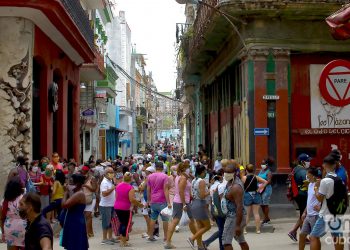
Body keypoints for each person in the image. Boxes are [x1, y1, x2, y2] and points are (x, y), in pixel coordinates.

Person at [310, 155, 345, 250]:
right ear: (335, 165)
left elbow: (320, 198)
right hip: (337, 212)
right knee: (337, 237)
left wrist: (316, 188)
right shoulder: (339, 179)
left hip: (326, 214)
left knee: (313, 237)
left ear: (324, 165)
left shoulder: (325, 181)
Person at [165, 163, 196, 249]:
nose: (189, 169)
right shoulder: (182, 178)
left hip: (180, 201)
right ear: (185, 169)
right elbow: (181, 192)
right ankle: (168, 242)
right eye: (188, 168)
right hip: (182, 202)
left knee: (190, 220)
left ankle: (195, 238)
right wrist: (184, 204)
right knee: (176, 221)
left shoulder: (180, 177)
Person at [222, 161, 249, 250]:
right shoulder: (230, 182)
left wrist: (237, 225)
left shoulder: (236, 187)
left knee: (226, 242)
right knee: (240, 239)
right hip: (233, 216)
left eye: (229, 172)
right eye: (225, 172)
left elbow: (239, 207)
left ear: (234, 173)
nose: (226, 174)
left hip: (234, 217)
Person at [115, 172, 144, 247]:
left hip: (117, 206)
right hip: (125, 207)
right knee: (125, 224)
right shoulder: (130, 187)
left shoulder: (118, 185)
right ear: (131, 179)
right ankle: (123, 242)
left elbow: (116, 196)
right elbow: (132, 199)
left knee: (121, 223)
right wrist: (139, 204)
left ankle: (122, 239)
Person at [61, 173, 88, 250]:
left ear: (77, 184)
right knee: (73, 243)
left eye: (71, 182)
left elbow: (64, 205)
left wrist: (65, 192)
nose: (69, 184)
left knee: (75, 244)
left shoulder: (79, 194)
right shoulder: (76, 192)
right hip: (73, 220)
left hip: (75, 221)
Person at [187, 164, 211, 250]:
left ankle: (200, 246)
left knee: (200, 226)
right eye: (205, 171)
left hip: (194, 203)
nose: (206, 173)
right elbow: (202, 196)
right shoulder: (201, 181)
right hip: (200, 204)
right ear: (202, 172)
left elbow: (192, 193)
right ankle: (192, 238)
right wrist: (210, 191)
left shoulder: (193, 180)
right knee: (208, 226)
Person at [288, 154, 310, 242]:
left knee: (302, 215)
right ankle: (300, 235)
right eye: (307, 160)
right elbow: (307, 182)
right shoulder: (302, 171)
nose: (309, 162)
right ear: (302, 162)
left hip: (298, 194)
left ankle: (295, 232)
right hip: (303, 195)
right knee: (304, 215)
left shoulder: (296, 169)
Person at [146, 161, 171, 242]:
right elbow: (165, 189)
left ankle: (150, 235)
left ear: (155, 167)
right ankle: (166, 236)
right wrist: (169, 202)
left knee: (153, 218)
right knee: (165, 219)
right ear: (162, 168)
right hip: (162, 200)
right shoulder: (165, 176)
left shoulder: (150, 176)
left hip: (153, 200)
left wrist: (149, 200)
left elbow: (148, 190)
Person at [0, 176, 26, 250]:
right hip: (22, 229)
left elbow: (1, 218)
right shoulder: (24, 199)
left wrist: (3, 232)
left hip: (9, 230)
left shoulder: (4, 201)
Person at [299, 168, 321, 250]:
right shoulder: (310, 185)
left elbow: (323, 198)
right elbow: (309, 200)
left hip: (315, 215)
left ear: (313, 175)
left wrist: (321, 208)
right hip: (308, 215)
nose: (306, 175)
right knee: (302, 235)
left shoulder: (319, 184)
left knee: (314, 237)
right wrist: (304, 212)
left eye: (308, 174)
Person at [242, 164, 268, 234]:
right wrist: (259, 189)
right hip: (256, 195)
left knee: (247, 214)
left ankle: (244, 230)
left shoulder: (244, 178)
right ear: (253, 170)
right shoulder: (256, 177)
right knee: (256, 213)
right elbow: (265, 182)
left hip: (247, 195)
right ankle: (258, 230)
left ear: (246, 170)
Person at [99, 167, 116, 245]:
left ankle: (110, 237)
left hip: (111, 204)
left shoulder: (110, 181)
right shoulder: (104, 182)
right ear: (105, 173)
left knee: (110, 222)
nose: (112, 173)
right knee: (106, 222)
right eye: (110, 172)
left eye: (112, 172)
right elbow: (104, 194)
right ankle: (104, 238)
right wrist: (112, 189)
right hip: (106, 205)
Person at [139, 166, 155, 238]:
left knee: (147, 216)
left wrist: (141, 187)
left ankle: (149, 232)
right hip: (148, 198)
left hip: (147, 199)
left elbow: (142, 187)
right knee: (149, 216)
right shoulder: (152, 178)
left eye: (146, 172)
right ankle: (150, 232)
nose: (144, 173)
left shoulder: (148, 178)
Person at [81, 165, 97, 238]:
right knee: (86, 216)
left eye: (83, 171)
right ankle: (90, 232)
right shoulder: (81, 177)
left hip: (91, 198)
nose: (82, 172)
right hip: (83, 199)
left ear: (87, 171)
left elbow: (94, 189)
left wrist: (86, 186)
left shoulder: (92, 178)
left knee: (88, 215)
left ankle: (87, 233)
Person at [257, 159, 273, 226]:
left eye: (263, 164)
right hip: (260, 189)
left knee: (265, 204)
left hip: (266, 189)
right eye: (261, 163)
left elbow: (269, 181)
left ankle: (265, 219)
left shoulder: (268, 172)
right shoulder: (260, 171)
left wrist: (263, 185)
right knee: (261, 204)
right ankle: (267, 218)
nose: (262, 165)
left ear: (266, 165)